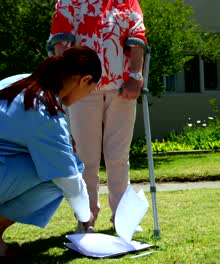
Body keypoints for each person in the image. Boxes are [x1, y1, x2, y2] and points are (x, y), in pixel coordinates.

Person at [48, 0, 147, 230]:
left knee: (119, 157)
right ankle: (86, 218)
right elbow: (60, 41)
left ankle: (122, 220)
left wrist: (136, 77)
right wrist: (67, 81)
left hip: (122, 88)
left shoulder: (127, 1)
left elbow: (138, 37)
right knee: (85, 158)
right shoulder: (68, 2)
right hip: (82, 88)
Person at [0, 46, 101, 256]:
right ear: (84, 80)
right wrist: (85, 216)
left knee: (59, 164)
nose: (84, 96)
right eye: (90, 90)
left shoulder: (21, 81)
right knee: (60, 173)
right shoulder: (43, 111)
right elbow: (68, 177)